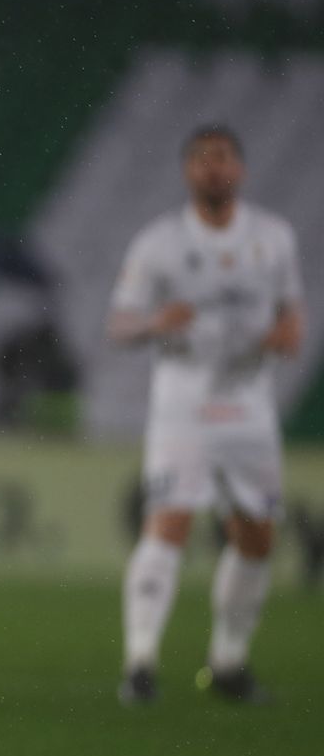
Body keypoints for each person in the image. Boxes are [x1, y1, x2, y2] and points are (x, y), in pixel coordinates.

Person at [108, 125, 304, 705]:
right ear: (187, 171)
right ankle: (140, 662)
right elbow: (119, 324)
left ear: (239, 169)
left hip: (249, 406)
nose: (212, 168)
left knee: (257, 535)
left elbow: (292, 311)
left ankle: (228, 662)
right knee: (169, 521)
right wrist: (154, 323)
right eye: (201, 159)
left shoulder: (274, 237)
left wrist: (289, 333)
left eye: (221, 158)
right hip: (184, 404)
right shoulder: (159, 243)